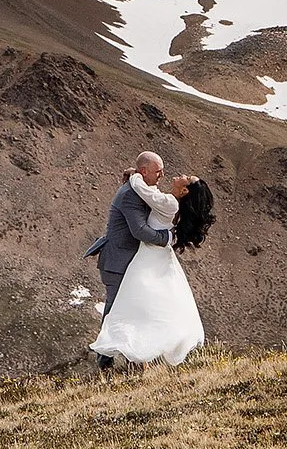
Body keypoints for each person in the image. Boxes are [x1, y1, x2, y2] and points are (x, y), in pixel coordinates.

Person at [85, 150, 215, 369]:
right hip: (118, 260)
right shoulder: (131, 194)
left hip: (141, 259)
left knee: (132, 307)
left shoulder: (157, 196)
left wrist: (134, 176)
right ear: (145, 171)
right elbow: (140, 230)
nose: (162, 175)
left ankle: (130, 357)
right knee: (117, 307)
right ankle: (109, 359)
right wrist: (168, 237)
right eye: (158, 171)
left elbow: (147, 199)